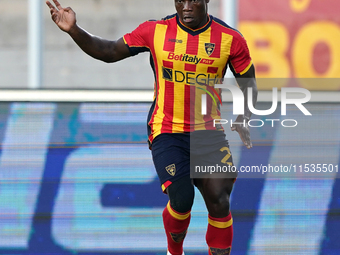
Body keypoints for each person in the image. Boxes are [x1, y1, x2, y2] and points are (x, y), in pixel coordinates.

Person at [46, 0, 258, 254]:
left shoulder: (230, 39)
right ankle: (174, 251)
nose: (187, 6)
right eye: (181, 0)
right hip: (167, 130)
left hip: (208, 134)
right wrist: (74, 30)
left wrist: (243, 116)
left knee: (220, 200)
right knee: (182, 199)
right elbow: (110, 51)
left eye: (193, 1)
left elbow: (248, 82)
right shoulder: (155, 31)